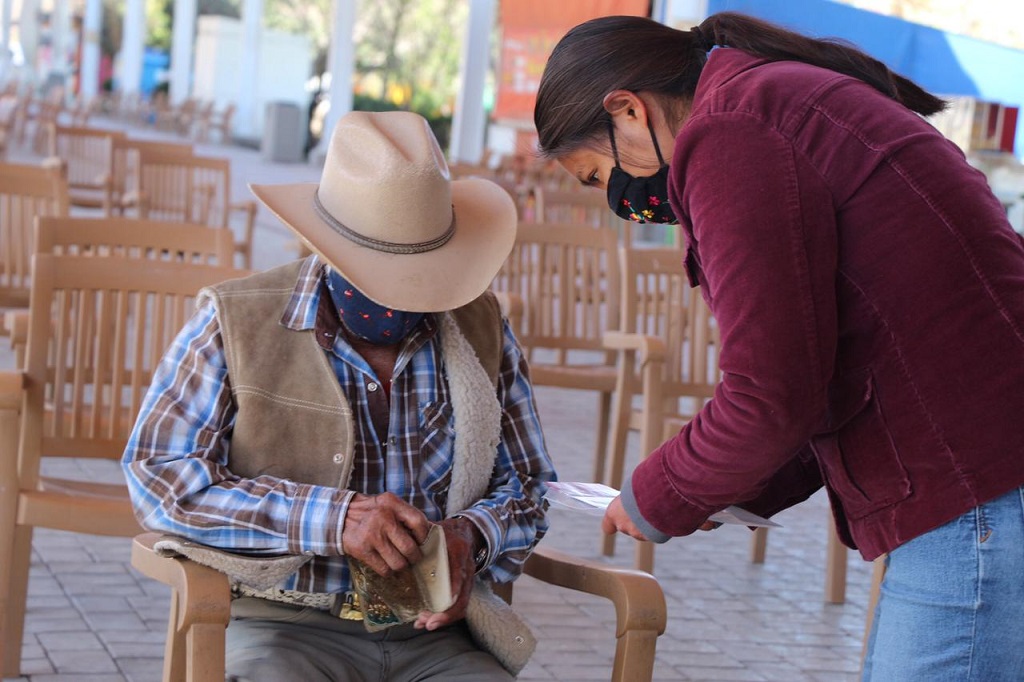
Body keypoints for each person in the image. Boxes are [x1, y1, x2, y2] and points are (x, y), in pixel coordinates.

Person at [534, 12, 1024, 681]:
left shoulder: (731, 133)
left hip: (978, 480)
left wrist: (658, 492)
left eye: (597, 176)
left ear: (626, 109)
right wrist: (726, 489)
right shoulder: (768, 100)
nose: (618, 198)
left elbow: (770, 393)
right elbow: (816, 372)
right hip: (984, 471)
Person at [122, 110, 556, 681]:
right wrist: (331, 519)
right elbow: (160, 476)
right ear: (327, 251)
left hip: (437, 636)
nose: (404, 297)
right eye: (379, 273)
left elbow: (529, 485)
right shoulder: (234, 321)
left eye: (421, 275)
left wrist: (472, 536)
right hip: (283, 624)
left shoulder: (479, 329)